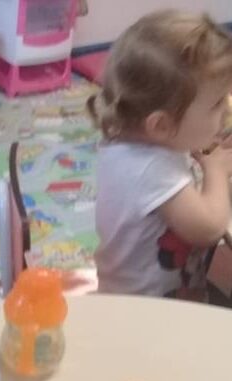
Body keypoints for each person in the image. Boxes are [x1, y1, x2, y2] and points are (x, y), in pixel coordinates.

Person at [88, 10, 232, 300]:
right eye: (217, 104)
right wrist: (216, 170)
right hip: (148, 311)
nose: (227, 109)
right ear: (161, 125)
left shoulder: (129, 142)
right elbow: (209, 228)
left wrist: (203, 144)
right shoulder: (152, 168)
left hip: (123, 293)